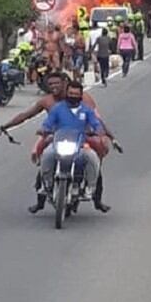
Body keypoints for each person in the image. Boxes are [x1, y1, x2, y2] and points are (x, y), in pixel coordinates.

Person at [0, 72, 121, 213]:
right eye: (51, 84)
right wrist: (4, 127)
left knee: (92, 160)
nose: (54, 87)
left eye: (57, 83)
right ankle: (41, 197)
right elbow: (27, 116)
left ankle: (96, 199)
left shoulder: (84, 101)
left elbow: (97, 121)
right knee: (45, 158)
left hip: (82, 138)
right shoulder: (51, 103)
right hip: (57, 137)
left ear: (66, 83)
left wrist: (109, 137)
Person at [37, 81, 104, 210]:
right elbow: (48, 123)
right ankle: (46, 184)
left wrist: (97, 131)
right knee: (47, 154)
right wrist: (44, 129)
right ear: (67, 93)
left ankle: (90, 187)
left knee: (92, 157)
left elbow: (96, 124)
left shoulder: (86, 110)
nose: (73, 96)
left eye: (76, 94)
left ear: (80, 95)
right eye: (70, 93)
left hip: (80, 145)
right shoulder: (58, 108)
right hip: (59, 143)